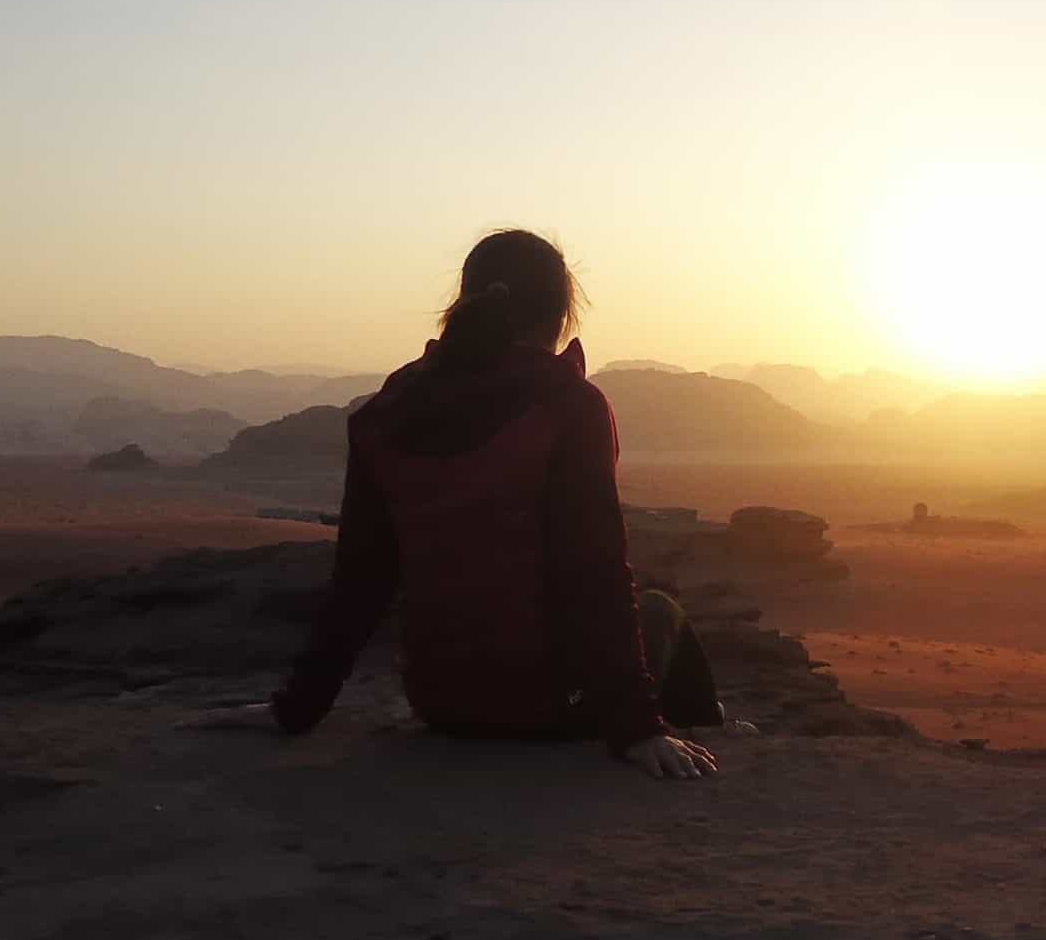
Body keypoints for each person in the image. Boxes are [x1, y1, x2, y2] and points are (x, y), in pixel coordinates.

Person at [229, 229, 725, 779]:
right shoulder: (568, 405)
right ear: (562, 317)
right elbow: (596, 572)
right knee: (660, 610)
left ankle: (696, 726)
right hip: (552, 706)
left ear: (462, 302)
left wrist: (298, 708)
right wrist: (637, 729)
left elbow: (361, 578)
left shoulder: (390, 407)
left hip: (442, 705)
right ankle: (705, 733)